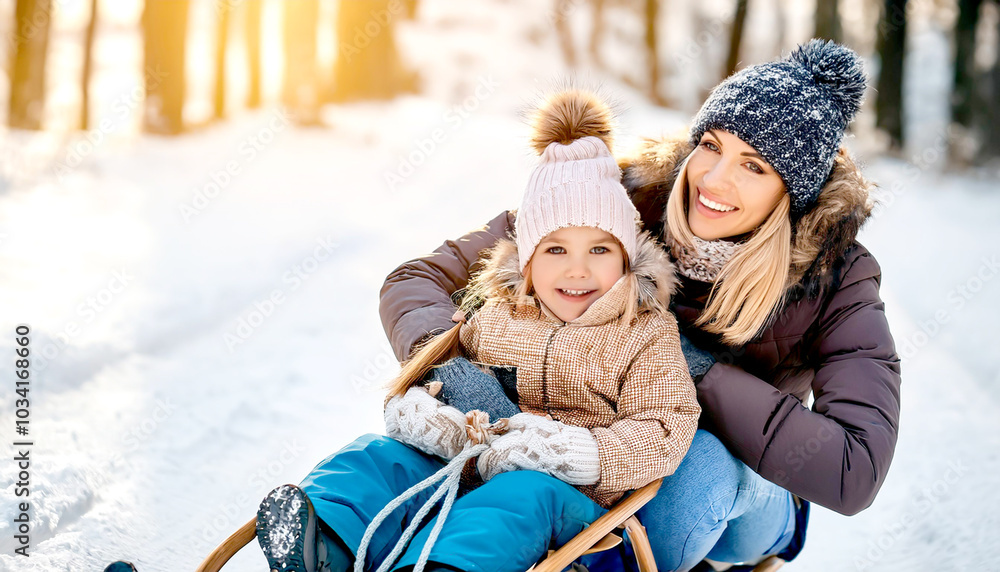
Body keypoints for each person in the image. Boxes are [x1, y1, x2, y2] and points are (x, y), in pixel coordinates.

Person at [378, 39, 902, 571]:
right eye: (712, 145)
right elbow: (417, 279)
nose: (713, 179)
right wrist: (447, 363)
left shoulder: (837, 276)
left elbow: (854, 467)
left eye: (754, 166)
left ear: (792, 193)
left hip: (743, 481)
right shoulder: (618, 198)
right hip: (600, 443)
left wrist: (693, 370)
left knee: (697, 471)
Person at [253, 90, 701, 572]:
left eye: (600, 250)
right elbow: (445, 377)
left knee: (513, 500)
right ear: (526, 261)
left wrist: (570, 452)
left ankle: (444, 568)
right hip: (462, 469)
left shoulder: (644, 333)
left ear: (627, 258)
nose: (578, 270)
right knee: (378, 457)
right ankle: (324, 542)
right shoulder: (498, 315)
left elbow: (664, 427)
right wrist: (427, 410)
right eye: (555, 250)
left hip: (568, 498)